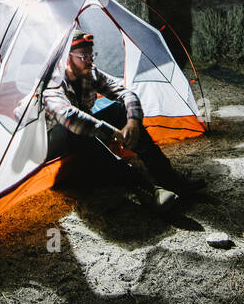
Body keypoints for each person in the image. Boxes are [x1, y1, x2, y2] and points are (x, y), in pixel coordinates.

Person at [42, 31, 197, 213]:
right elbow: (69, 116)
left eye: (92, 55)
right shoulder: (52, 84)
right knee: (76, 129)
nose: (90, 60)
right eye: (84, 56)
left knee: (120, 109)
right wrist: (112, 133)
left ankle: (167, 176)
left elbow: (126, 93)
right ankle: (145, 189)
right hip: (55, 145)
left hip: (88, 137)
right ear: (67, 59)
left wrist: (133, 121)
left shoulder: (90, 73)